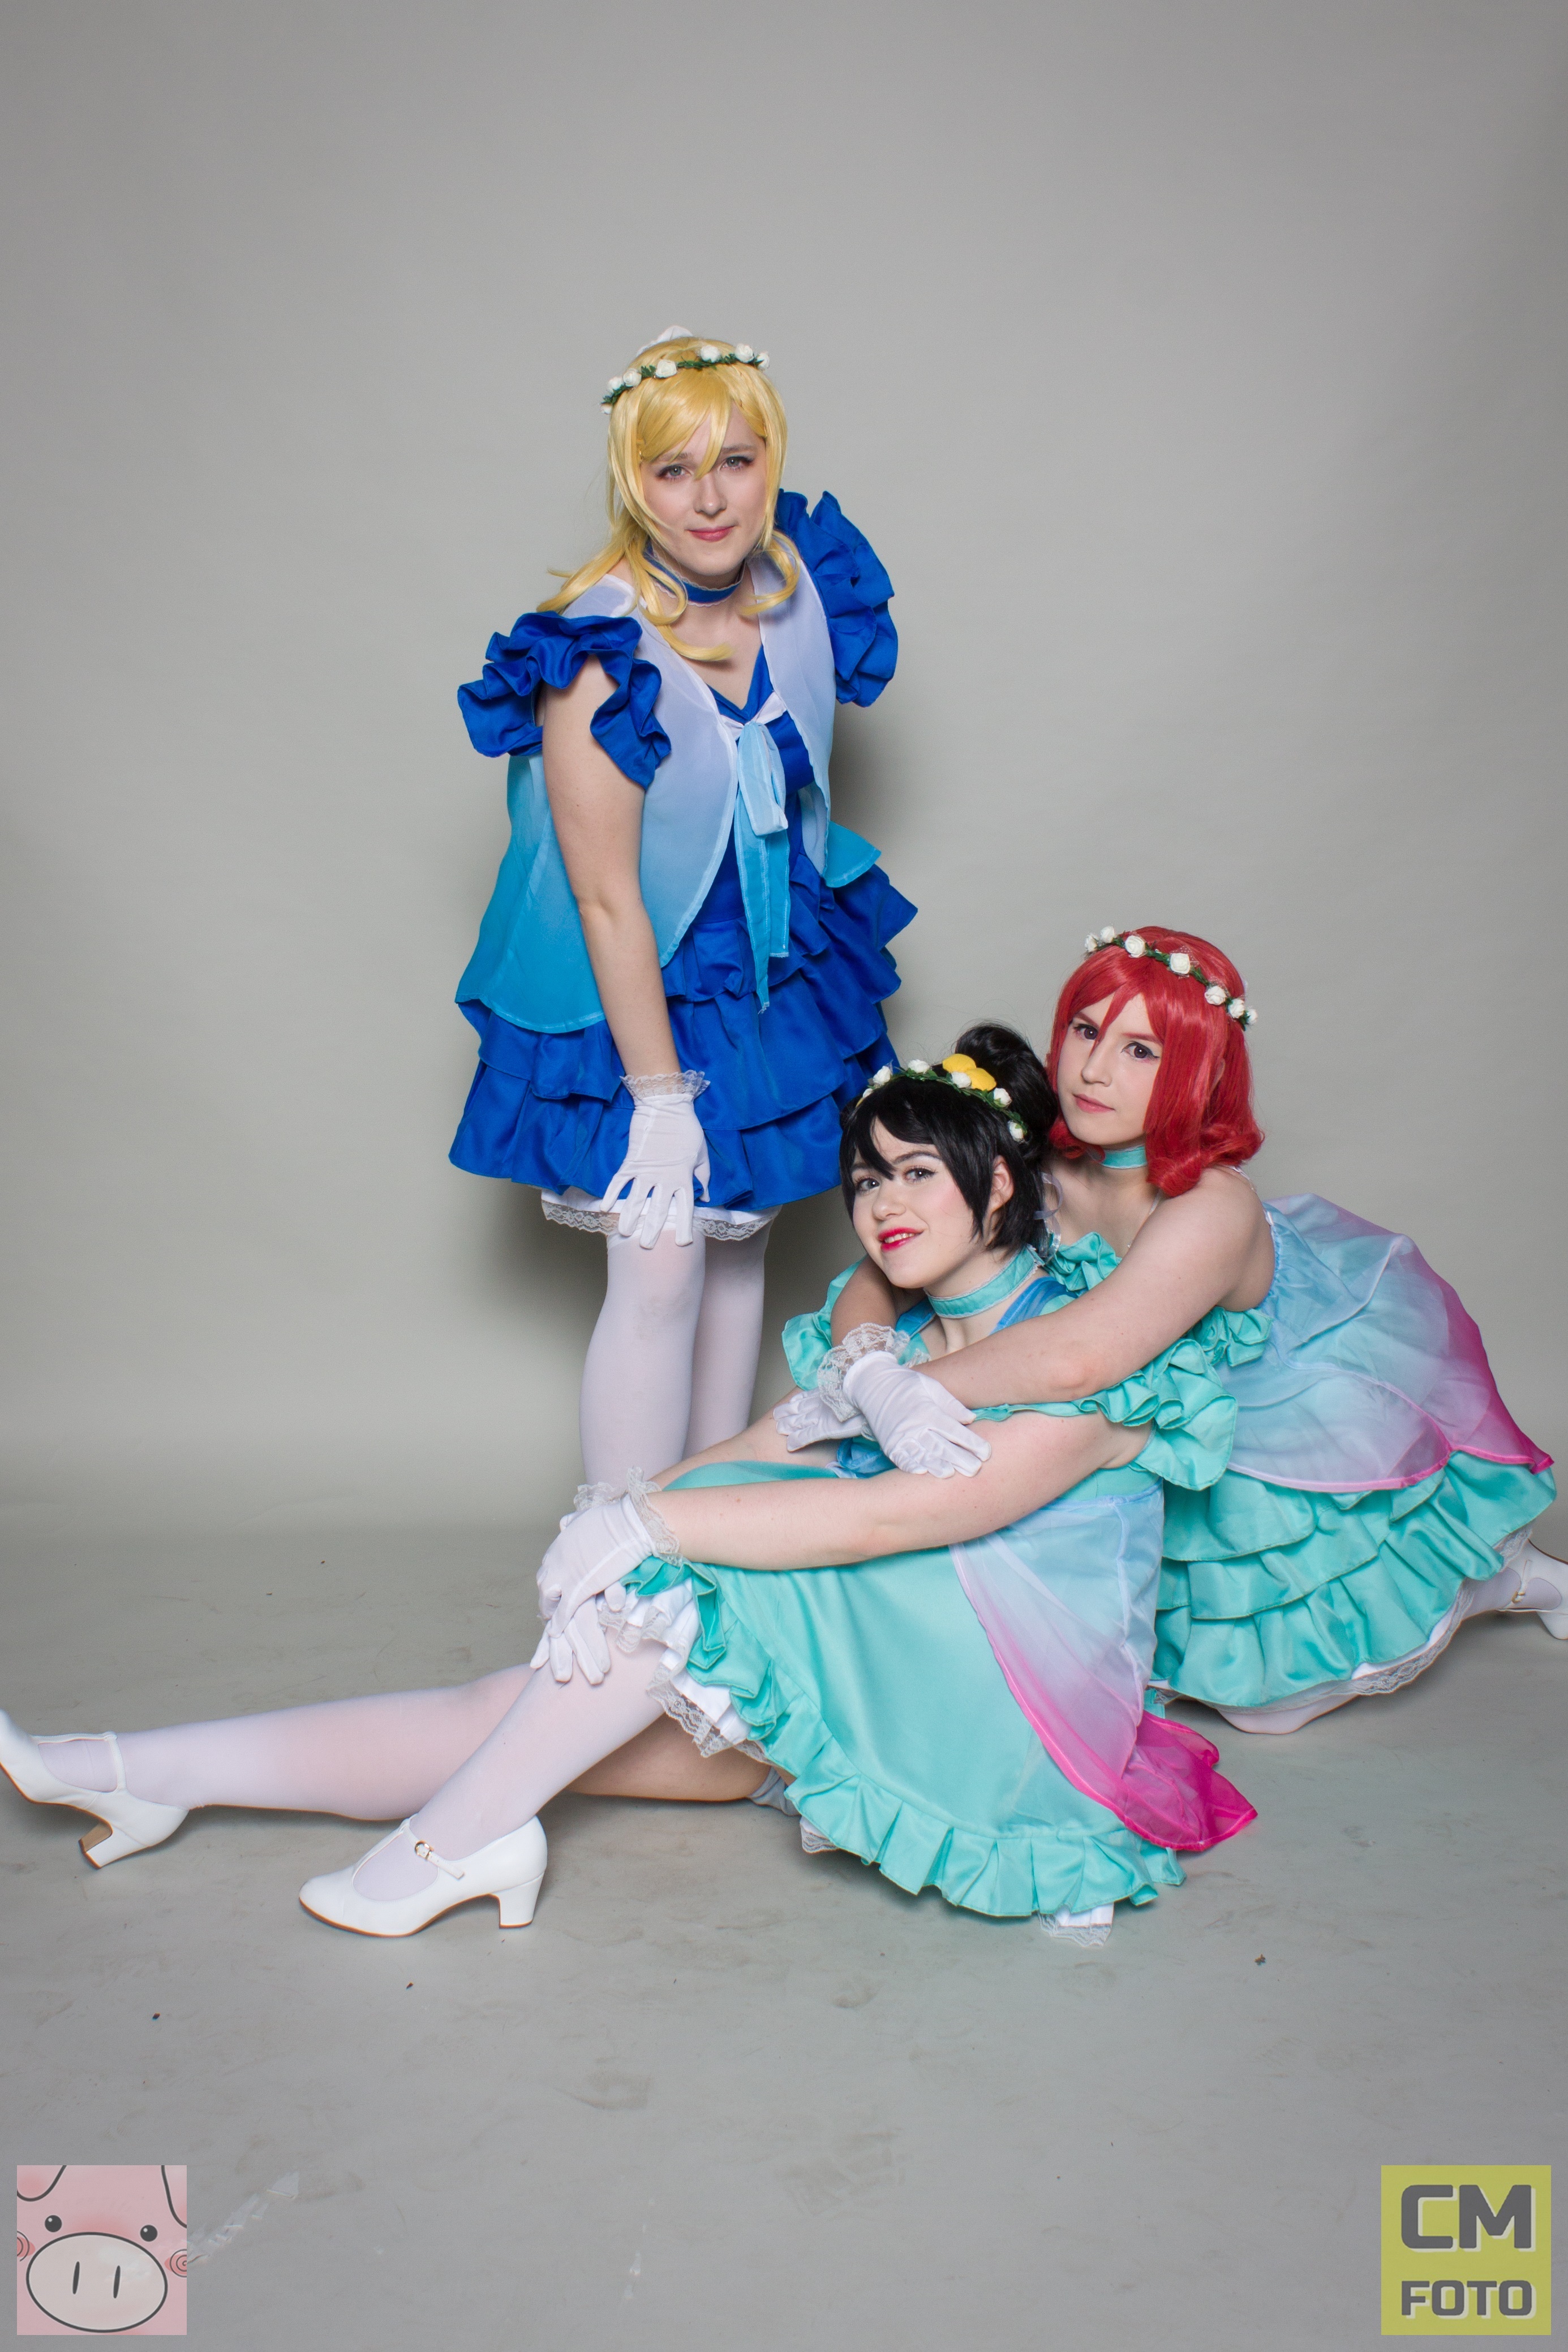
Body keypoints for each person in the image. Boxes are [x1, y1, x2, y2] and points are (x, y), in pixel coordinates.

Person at [0, 1028, 1256, 1943]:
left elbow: (903, 1511)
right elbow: (773, 1441)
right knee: (512, 1714)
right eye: (868, 1179)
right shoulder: (899, 1341)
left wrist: (652, 1526)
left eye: (916, 1172)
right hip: (869, 1675)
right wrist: (616, 1513)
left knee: (677, 1585)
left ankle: (451, 1845)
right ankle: (144, 1768)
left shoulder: (1095, 1356)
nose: (881, 1204)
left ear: (1001, 1184)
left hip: (991, 1721)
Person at [797, 928, 1562, 1735]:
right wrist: (868, 1369)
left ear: (1194, 1072)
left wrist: (905, 1388)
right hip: (1129, 1433)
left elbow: (1082, 1357)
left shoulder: (1211, 1207)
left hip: (1264, 1433)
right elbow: (875, 1276)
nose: (1093, 1070)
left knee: (1269, 1707)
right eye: (1085, 1031)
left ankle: (1504, 1579)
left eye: (1141, 1051)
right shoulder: (1037, 1170)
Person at [449, 329, 913, 1489]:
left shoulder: (802, 592)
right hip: (634, 984)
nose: (711, 499)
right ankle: (613, 1551)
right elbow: (604, 896)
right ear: (633, 480)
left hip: (765, 966)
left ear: (772, 463)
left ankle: (704, 1535)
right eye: (674, 470)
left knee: (738, 1246)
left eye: (737, 462)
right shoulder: (597, 651)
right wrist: (661, 1099)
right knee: (659, 1266)